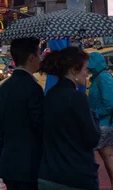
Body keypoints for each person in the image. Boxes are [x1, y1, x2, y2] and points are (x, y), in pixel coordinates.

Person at [38, 48, 101, 190]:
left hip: (49, 175)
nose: (87, 73)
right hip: (76, 176)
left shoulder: (50, 95)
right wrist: (95, 117)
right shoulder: (78, 98)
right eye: (85, 69)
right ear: (73, 70)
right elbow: (93, 138)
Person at [0, 38, 43, 190]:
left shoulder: (3, 88)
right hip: (29, 166)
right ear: (31, 57)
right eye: (39, 54)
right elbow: (39, 125)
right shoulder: (33, 89)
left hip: (9, 164)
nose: (40, 58)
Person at [88, 52, 113, 190]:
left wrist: (93, 114)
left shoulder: (103, 78)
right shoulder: (99, 77)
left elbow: (108, 103)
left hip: (106, 123)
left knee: (87, 151)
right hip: (108, 123)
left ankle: (93, 184)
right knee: (106, 154)